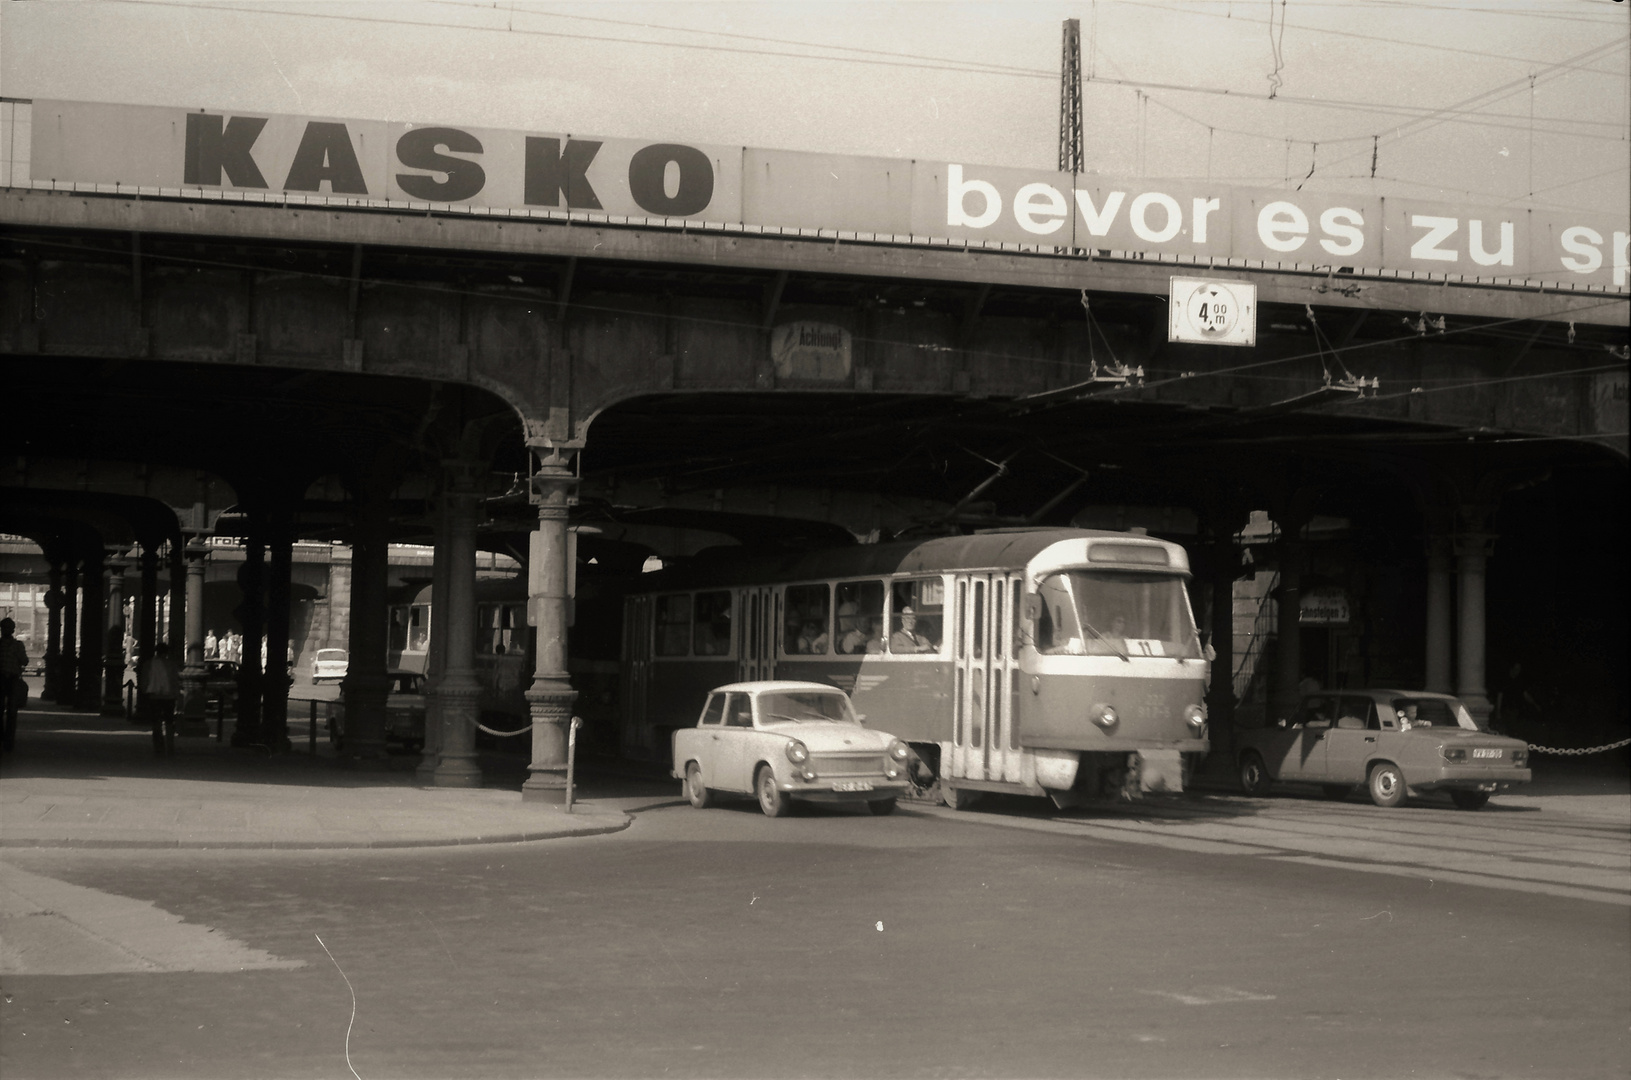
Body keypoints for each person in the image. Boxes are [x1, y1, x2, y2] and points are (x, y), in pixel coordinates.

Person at [144, 642, 182, 756]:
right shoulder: (171, 664)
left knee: (156, 722)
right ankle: (170, 746)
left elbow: (144, 680)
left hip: (154, 695)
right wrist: (177, 694)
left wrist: (146, 691)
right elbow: (175, 680)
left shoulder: (149, 664)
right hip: (169, 696)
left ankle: (158, 746)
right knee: (169, 721)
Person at [0, 617, 28, 753]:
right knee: (11, 711)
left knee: (11, 711)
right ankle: (7, 741)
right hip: (10, 679)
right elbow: (25, 661)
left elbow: (25, 661)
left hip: (11, 680)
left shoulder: (17, 645)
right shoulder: (18, 645)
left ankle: (7, 740)